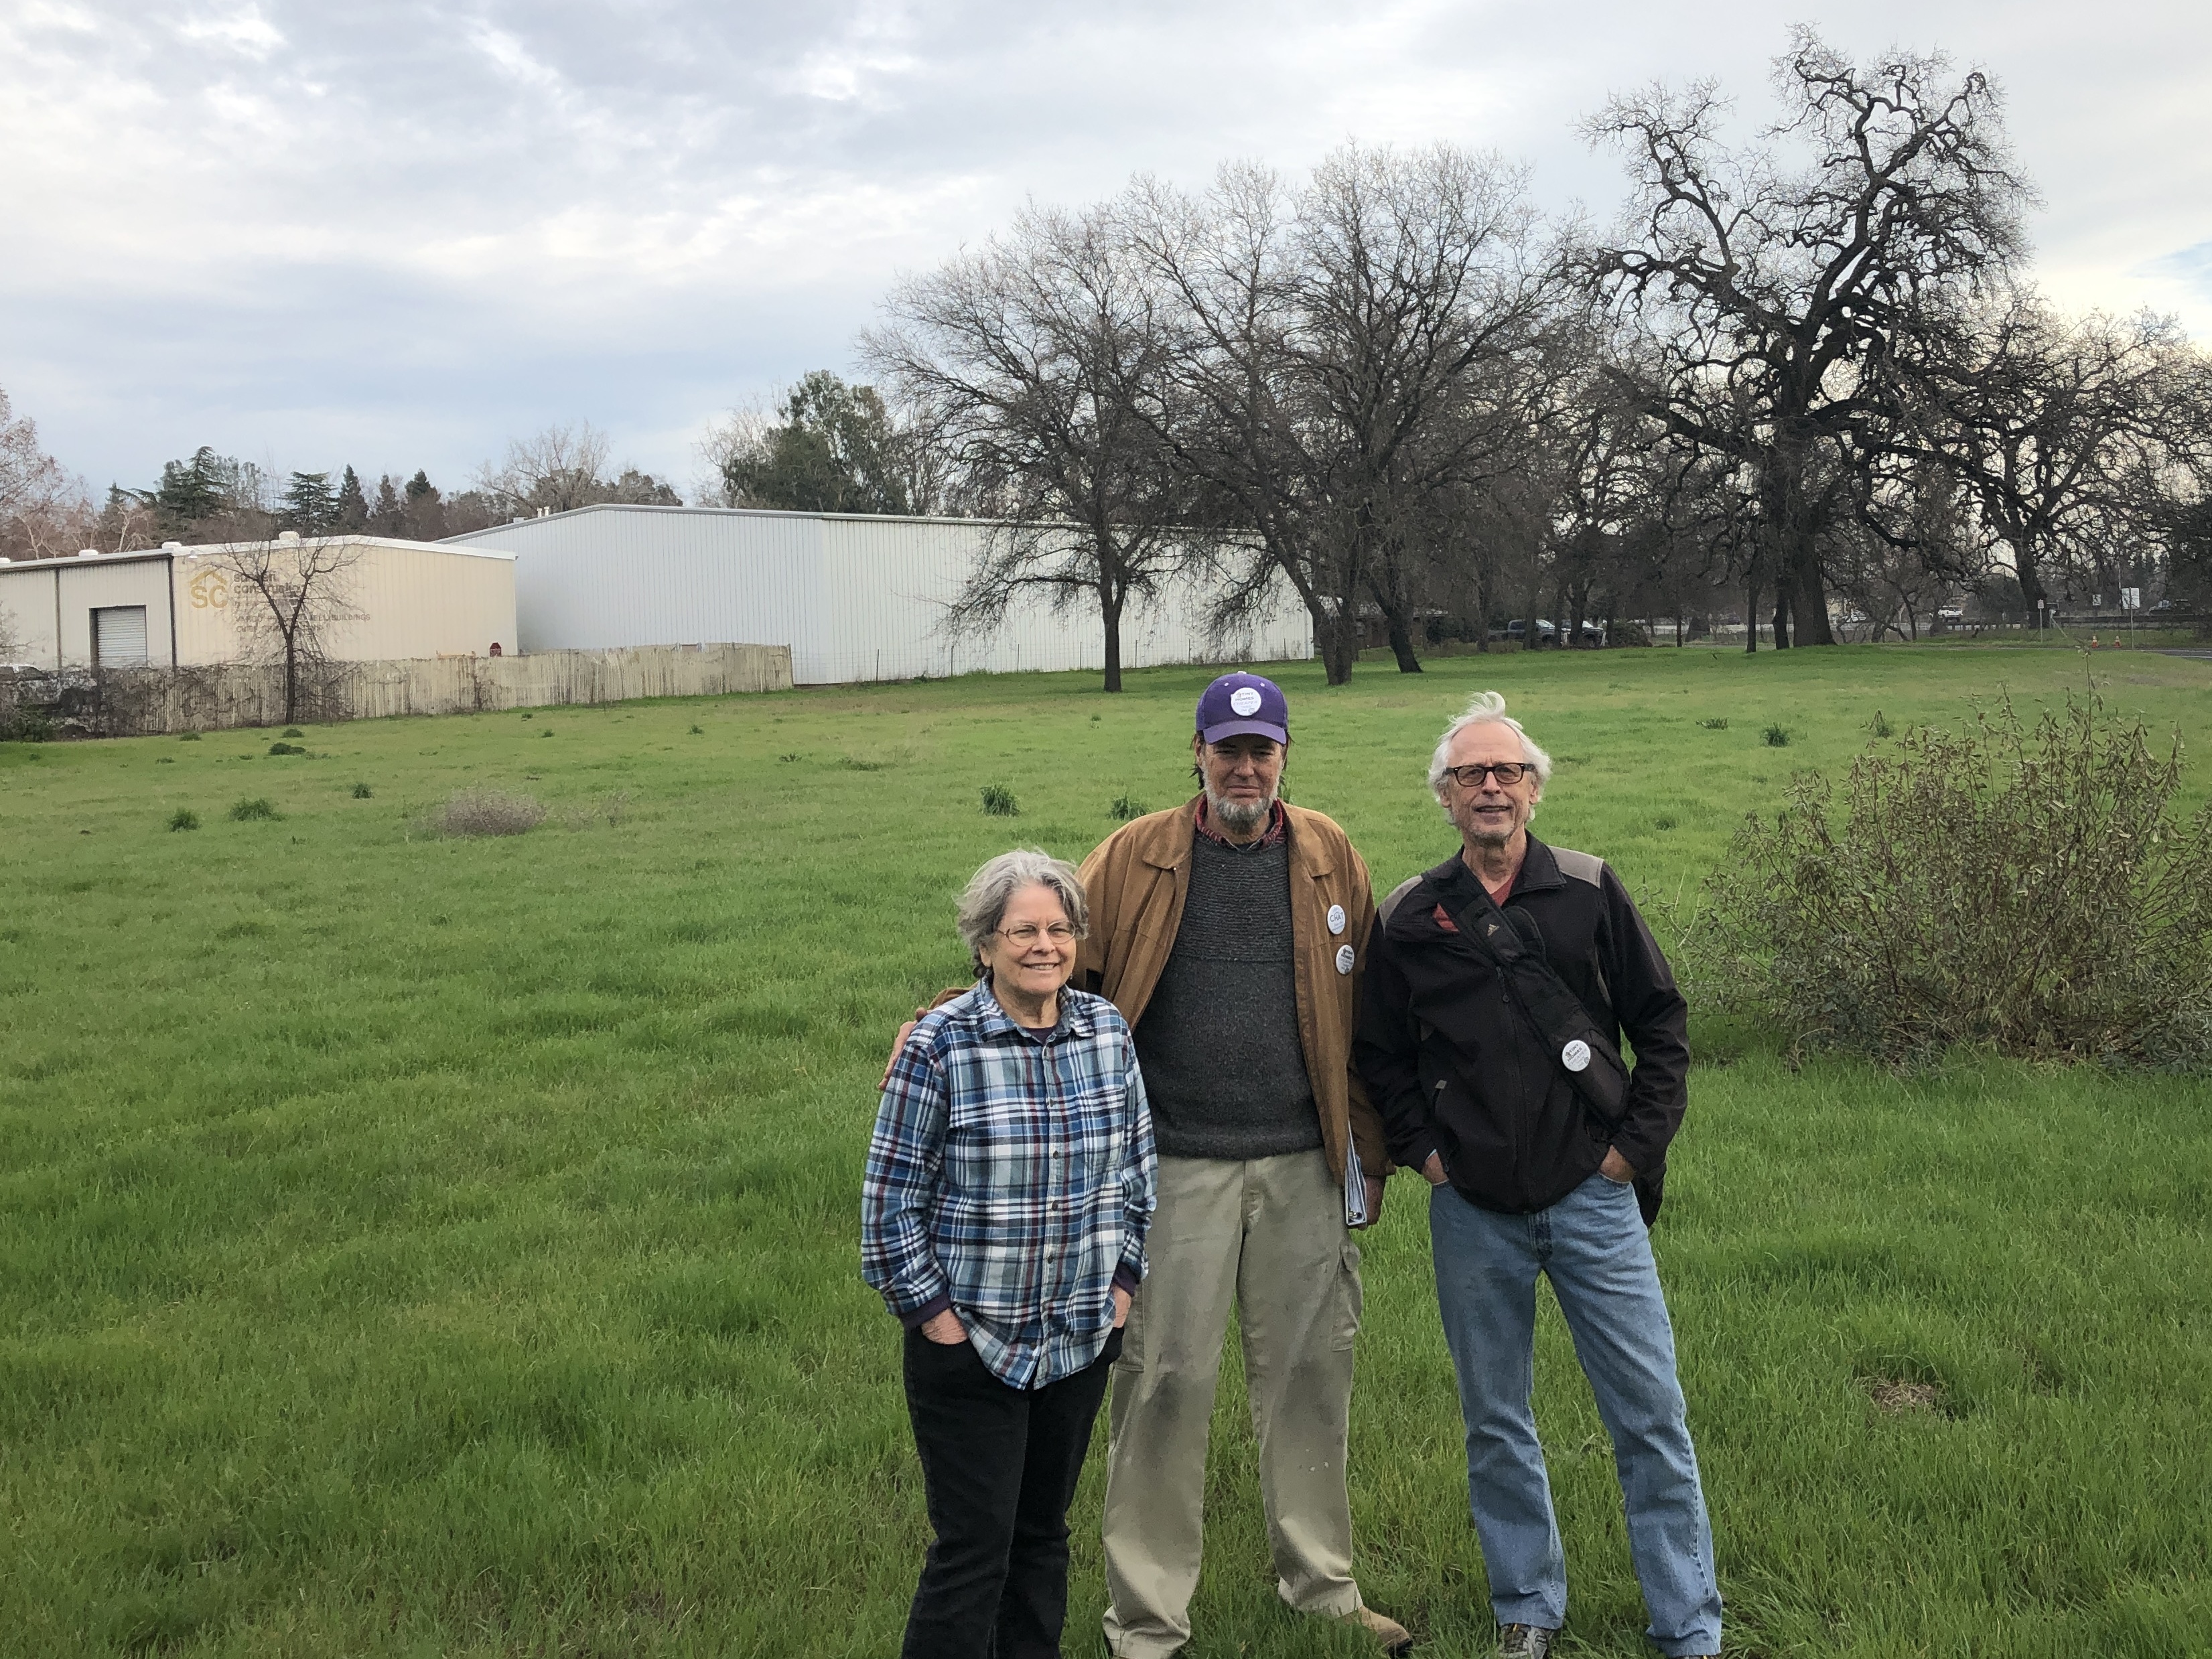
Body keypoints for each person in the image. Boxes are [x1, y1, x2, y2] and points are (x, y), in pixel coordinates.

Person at [1354, 691, 1721, 1659]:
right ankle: (1527, 1608)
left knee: (1649, 1416)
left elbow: (1662, 1026)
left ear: (1532, 787)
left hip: (1591, 1199)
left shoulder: (1590, 890)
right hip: (1472, 1209)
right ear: (1443, 793)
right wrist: (1423, 1151)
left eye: (1506, 771)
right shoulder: (1409, 914)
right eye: (1470, 773)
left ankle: (1686, 1626)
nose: (1489, 786)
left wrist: (1628, 1153)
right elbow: (1379, 1053)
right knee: (1495, 1422)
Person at [1077, 672, 1409, 1658]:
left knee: (1310, 1377)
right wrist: (939, 1021)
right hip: (1174, 1165)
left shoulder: (1327, 853)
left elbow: (1367, 1018)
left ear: (1284, 757)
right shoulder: (1132, 856)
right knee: (1164, 1382)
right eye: (1228, 748)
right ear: (1196, 752)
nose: (1246, 767)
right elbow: (1046, 965)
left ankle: (1321, 1590)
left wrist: (1370, 1153)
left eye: (1263, 750)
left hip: (1304, 1163)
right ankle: (1145, 1622)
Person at [862, 849, 1157, 1659]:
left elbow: (1137, 1172)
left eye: (1060, 927)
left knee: (1040, 1537)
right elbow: (889, 1203)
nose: (1044, 944)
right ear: (983, 944)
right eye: (1021, 928)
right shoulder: (939, 1045)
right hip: (973, 1346)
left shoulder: (1104, 1033)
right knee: (971, 1551)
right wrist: (938, 1322)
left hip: (1076, 1338)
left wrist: (1122, 1286)